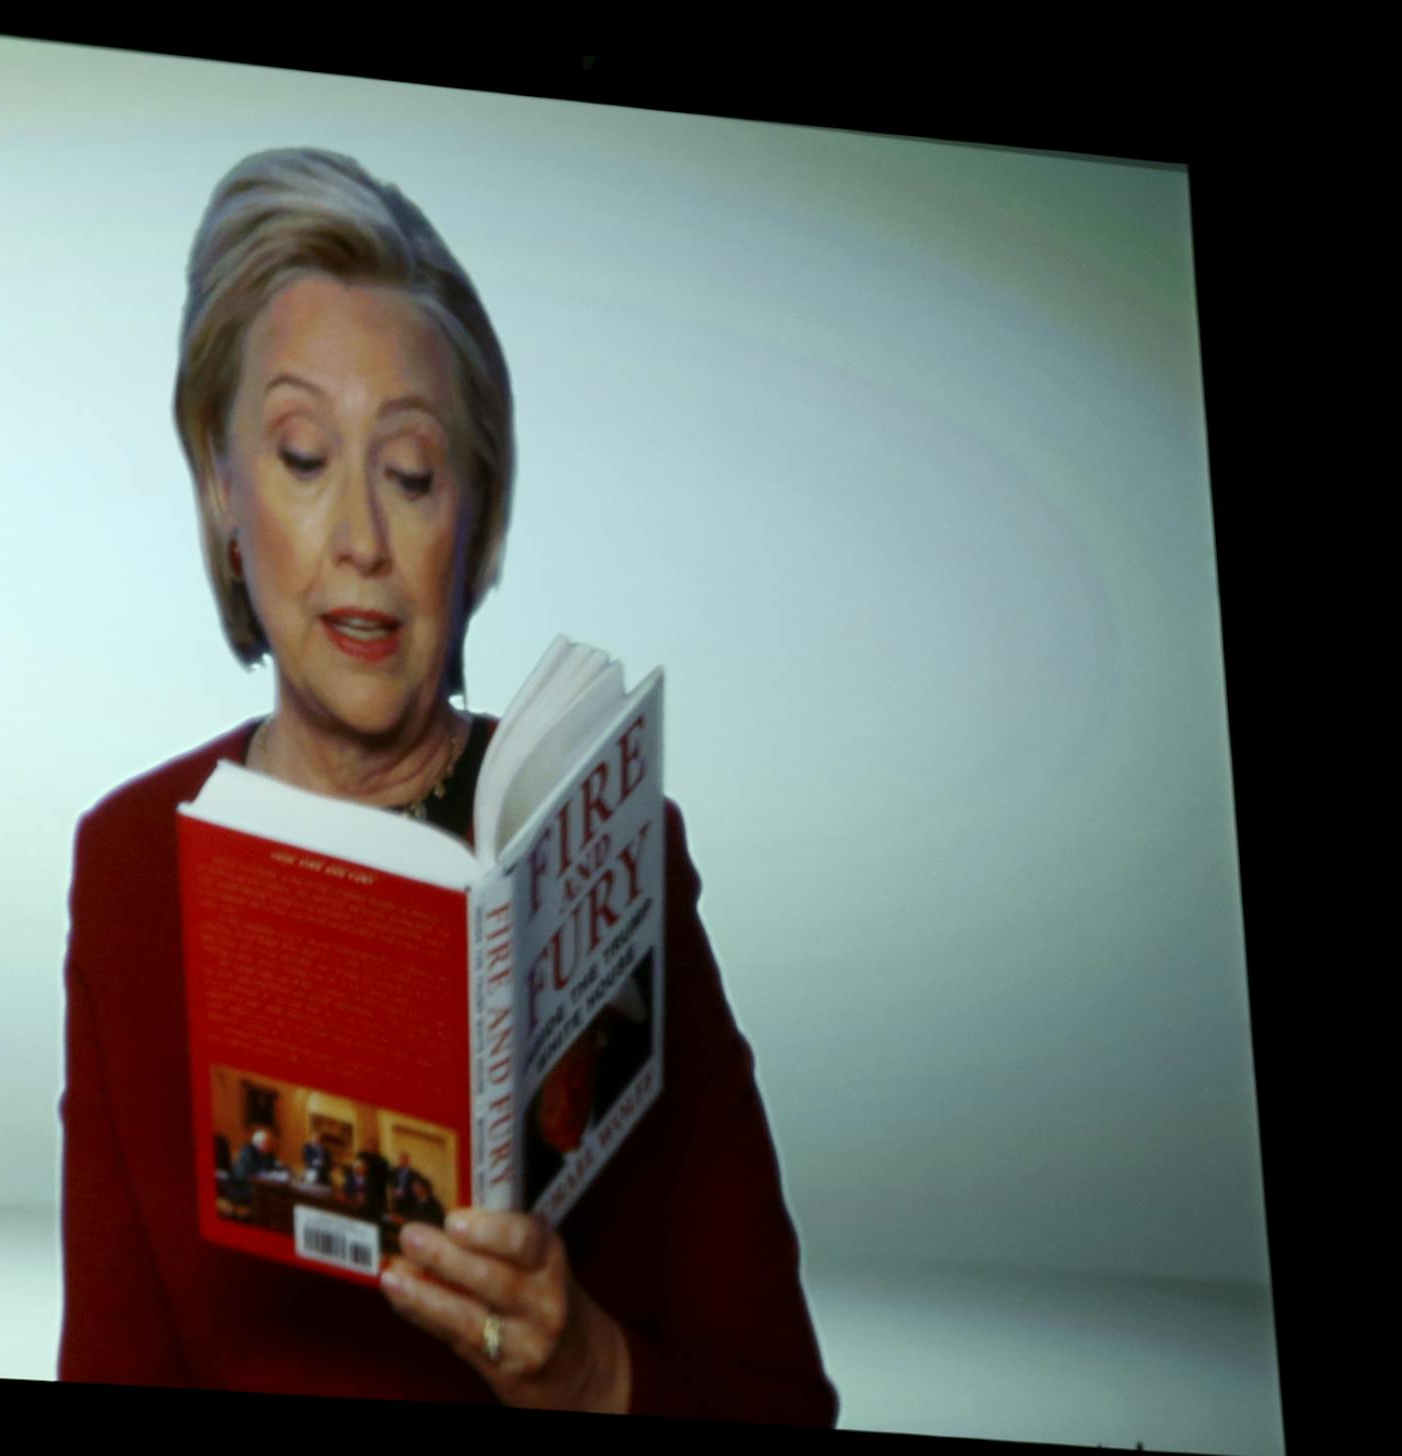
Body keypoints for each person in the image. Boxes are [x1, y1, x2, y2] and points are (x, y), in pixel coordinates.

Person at [58, 147, 836, 1423]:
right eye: (304, 457)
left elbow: (785, 1402)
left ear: (474, 519)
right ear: (222, 489)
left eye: (412, 474)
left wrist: (588, 1374)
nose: (362, 539)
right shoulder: (134, 861)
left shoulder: (611, 845)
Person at [226, 1126, 284, 1203]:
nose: (269, 1145)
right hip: (243, 1189)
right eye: (267, 1142)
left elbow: (274, 1166)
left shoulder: (267, 1153)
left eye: (269, 1143)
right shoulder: (247, 1151)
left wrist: (283, 1169)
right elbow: (254, 1170)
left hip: (256, 1188)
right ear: (258, 1143)